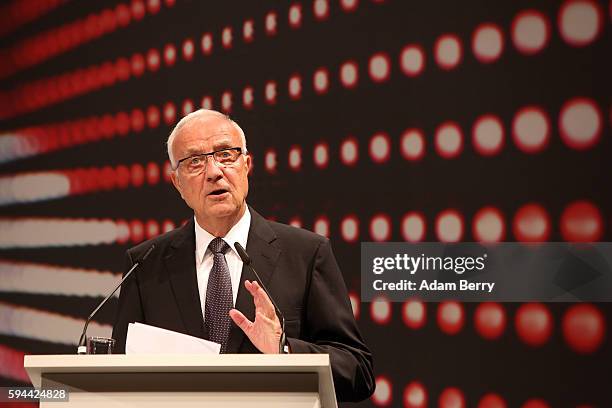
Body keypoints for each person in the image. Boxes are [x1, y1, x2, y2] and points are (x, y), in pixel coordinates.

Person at [112, 109, 375, 402]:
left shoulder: (305, 254)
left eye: (225, 154)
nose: (213, 172)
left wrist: (283, 349)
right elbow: (119, 372)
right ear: (177, 183)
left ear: (246, 165)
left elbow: (357, 370)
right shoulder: (145, 264)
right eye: (195, 161)